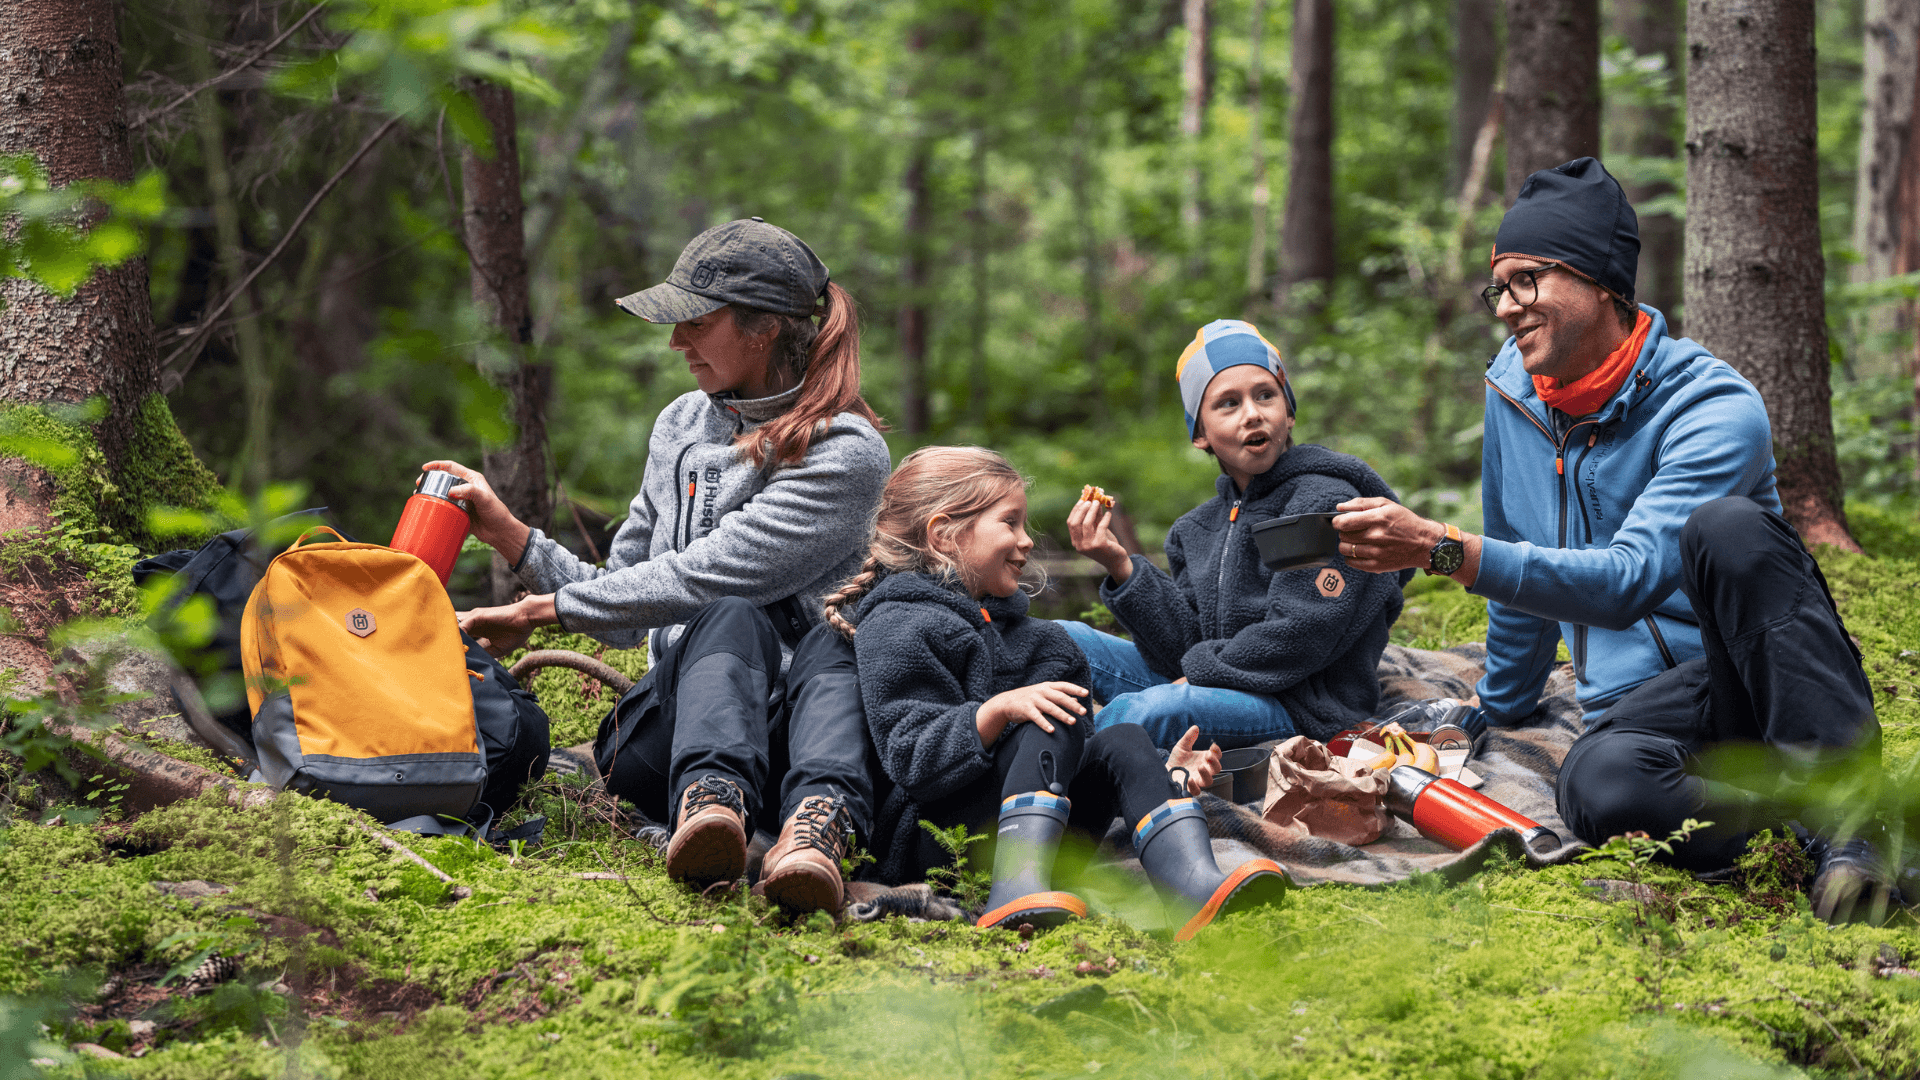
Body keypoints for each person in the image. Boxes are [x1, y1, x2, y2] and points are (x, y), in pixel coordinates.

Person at [1330, 158, 1885, 917]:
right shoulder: (1513, 396)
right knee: (1596, 787)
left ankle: (1860, 825)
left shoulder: (1713, 407)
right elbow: (1520, 556)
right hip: (1639, 707)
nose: (1505, 307)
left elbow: (1626, 582)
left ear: (1600, 282)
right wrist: (1497, 705)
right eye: (1501, 286)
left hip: (1754, 677)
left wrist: (1441, 550)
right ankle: (1797, 841)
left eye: (1528, 281)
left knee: (1727, 527)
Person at [425, 219, 892, 916]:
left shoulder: (844, 452)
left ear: (764, 329)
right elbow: (622, 604)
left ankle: (809, 835)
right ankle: (709, 808)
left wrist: (535, 612)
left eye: (696, 323)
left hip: (800, 736)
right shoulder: (680, 425)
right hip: (670, 735)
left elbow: (705, 577)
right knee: (726, 618)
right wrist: (513, 537)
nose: (676, 342)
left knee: (767, 618)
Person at [822, 446, 1290, 939]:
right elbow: (911, 757)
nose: (1026, 542)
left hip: (1051, 835)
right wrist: (996, 712)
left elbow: (1080, 752)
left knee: (1125, 740)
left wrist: (1166, 772)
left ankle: (1193, 889)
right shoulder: (898, 625)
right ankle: (1013, 892)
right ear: (943, 534)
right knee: (1043, 720)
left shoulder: (1041, 641)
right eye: (1010, 523)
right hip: (937, 840)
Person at [1062, 319, 1413, 749]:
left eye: (1265, 395)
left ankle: (1066, 777)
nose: (1252, 413)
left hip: (1297, 705)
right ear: (1200, 435)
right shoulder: (1195, 530)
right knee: (1063, 641)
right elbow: (1185, 647)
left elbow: (1299, 634)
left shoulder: (1317, 503)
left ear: (1289, 411)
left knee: (1143, 712)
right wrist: (1119, 565)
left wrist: (1189, 679)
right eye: (1228, 403)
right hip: (1220, 684)